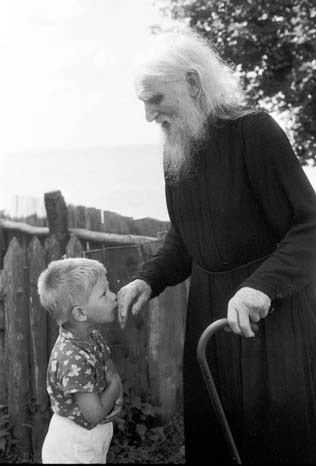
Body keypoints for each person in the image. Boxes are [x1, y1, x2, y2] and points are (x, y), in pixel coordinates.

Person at [117, 28, 316, 464]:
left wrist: (260, 286)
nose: (150, 115)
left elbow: (309, 225)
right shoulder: (177, 146)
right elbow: (185, 239)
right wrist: (147, 280)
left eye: (155, 99)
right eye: (143, 103)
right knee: (217, 440)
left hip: (269, 317)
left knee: (275, 445)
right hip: (209, 313)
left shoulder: (255, 132)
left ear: (192, 83)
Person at [38, 257, 123, 464]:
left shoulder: (92, 336)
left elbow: (108, 368)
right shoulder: (73, 358)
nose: (114, 296)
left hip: (90, 441)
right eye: (104, 293)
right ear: (81, 313)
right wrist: (116, 387)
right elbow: (94, 414)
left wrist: (114, 391)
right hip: (73, 449)